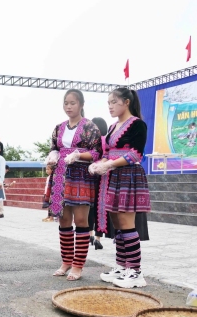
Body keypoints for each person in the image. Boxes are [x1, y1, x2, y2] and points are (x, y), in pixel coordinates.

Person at [90, 87, 151, 288]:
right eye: (108, 103)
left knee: (127, 223)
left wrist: (109, 164)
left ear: (126, 102)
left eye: (114, 102)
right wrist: (100, 163)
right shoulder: (113, 127)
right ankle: (122, 266)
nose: (110, 106)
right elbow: (107, 152)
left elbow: (135, 155)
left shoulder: (138, 125)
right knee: (117, 223)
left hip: (128, 177)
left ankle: (135, 271)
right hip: (113, 177)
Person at [47, 89, 102, 281]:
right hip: (61, 176)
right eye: (66, 103)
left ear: (81, 104)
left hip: (80, 176)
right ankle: (66, 261)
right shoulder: (58, 127)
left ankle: (78, 265)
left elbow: (96, 153)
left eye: (72, 103)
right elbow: (54, 148)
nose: (68, 106)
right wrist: (53, 156)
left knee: (80, 220)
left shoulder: (90, 127)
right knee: (63, 220)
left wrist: (78, 155)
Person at [88, 117, 109, 250]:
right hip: (103, 177)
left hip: (90, 176)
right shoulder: (107, 140)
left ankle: (89, 234)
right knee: (100, 208)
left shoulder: (91, 141)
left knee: (89, 207)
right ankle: (98, 238)